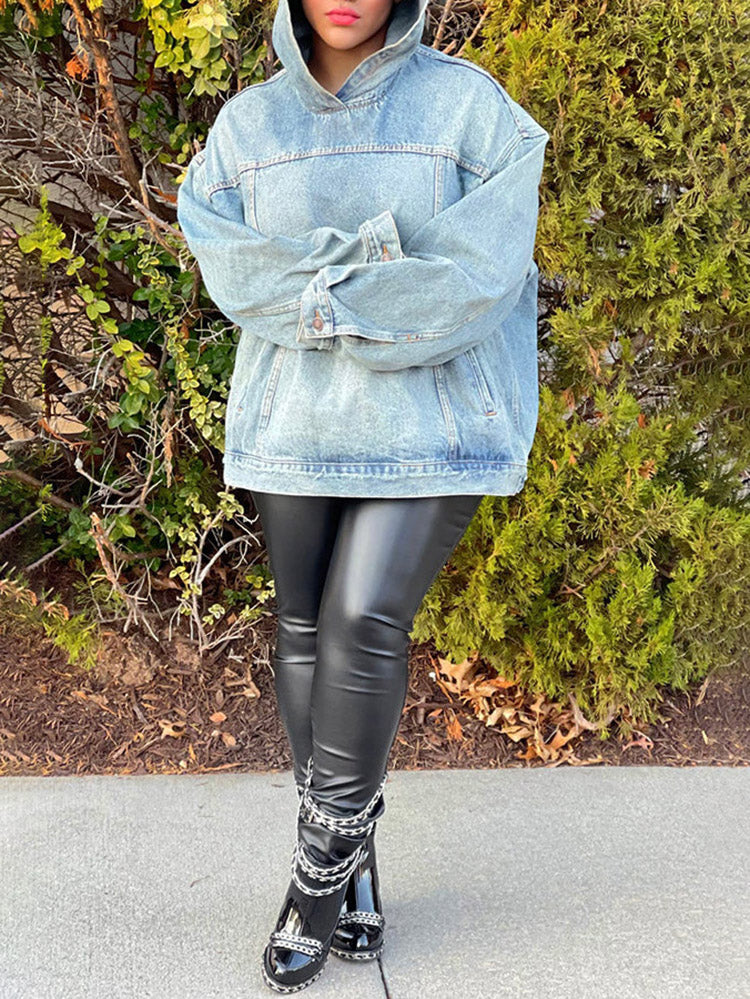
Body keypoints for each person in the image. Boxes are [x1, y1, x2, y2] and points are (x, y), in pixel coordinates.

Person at [176, 0, 549, 990]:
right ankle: (357, 865)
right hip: (294, 429)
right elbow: (233, 271)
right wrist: (388, 262)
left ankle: (313, 884)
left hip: (435, 430)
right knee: (303, 628)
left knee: (361, 620)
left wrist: (321, 283)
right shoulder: (250, 125)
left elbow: (477, 279)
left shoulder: (470, 109)